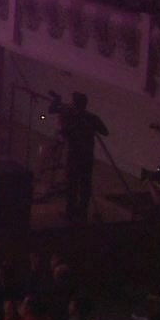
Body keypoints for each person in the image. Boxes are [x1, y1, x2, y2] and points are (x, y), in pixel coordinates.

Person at [55, 91, 108, 222]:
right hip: (88, 157)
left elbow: (62, 135)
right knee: (85, 186)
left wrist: (62, 123)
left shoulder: (71, 118)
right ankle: (83, 213)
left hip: (74, 157)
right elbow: (105, 131)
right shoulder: (92, 118)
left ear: (74, 104)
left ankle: (70, 213)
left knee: (72, 185)